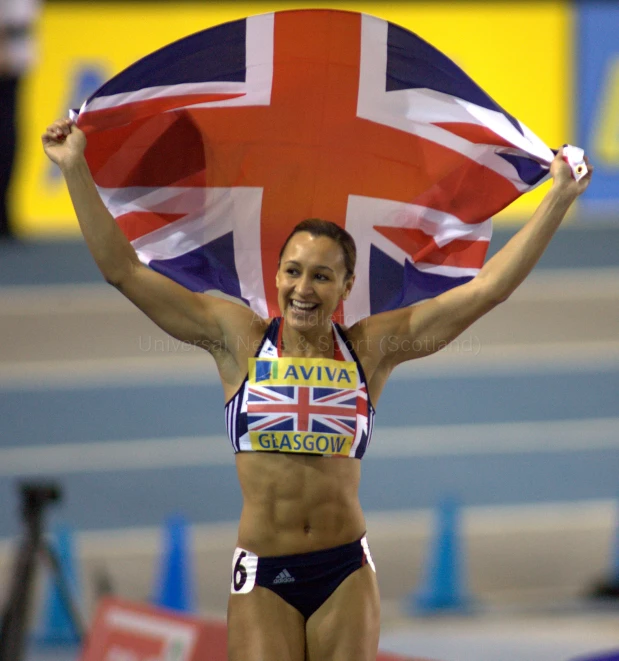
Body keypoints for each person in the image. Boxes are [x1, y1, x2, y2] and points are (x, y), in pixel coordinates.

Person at [42, 117, 592, 661]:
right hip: (263, 576)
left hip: (344, 572)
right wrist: (74, 169)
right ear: (276, 275)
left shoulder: (372, 350)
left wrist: (559, 198)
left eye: (322, 276)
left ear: (347, 286)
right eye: (293, 271)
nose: (303, 288)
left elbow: (487, 290)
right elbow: (125, 273)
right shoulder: (236, 340)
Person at [0, 0, 41, 239]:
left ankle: (4, 213)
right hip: (11, 47)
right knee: (7, 130)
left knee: (8, 130)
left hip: (12, 47)